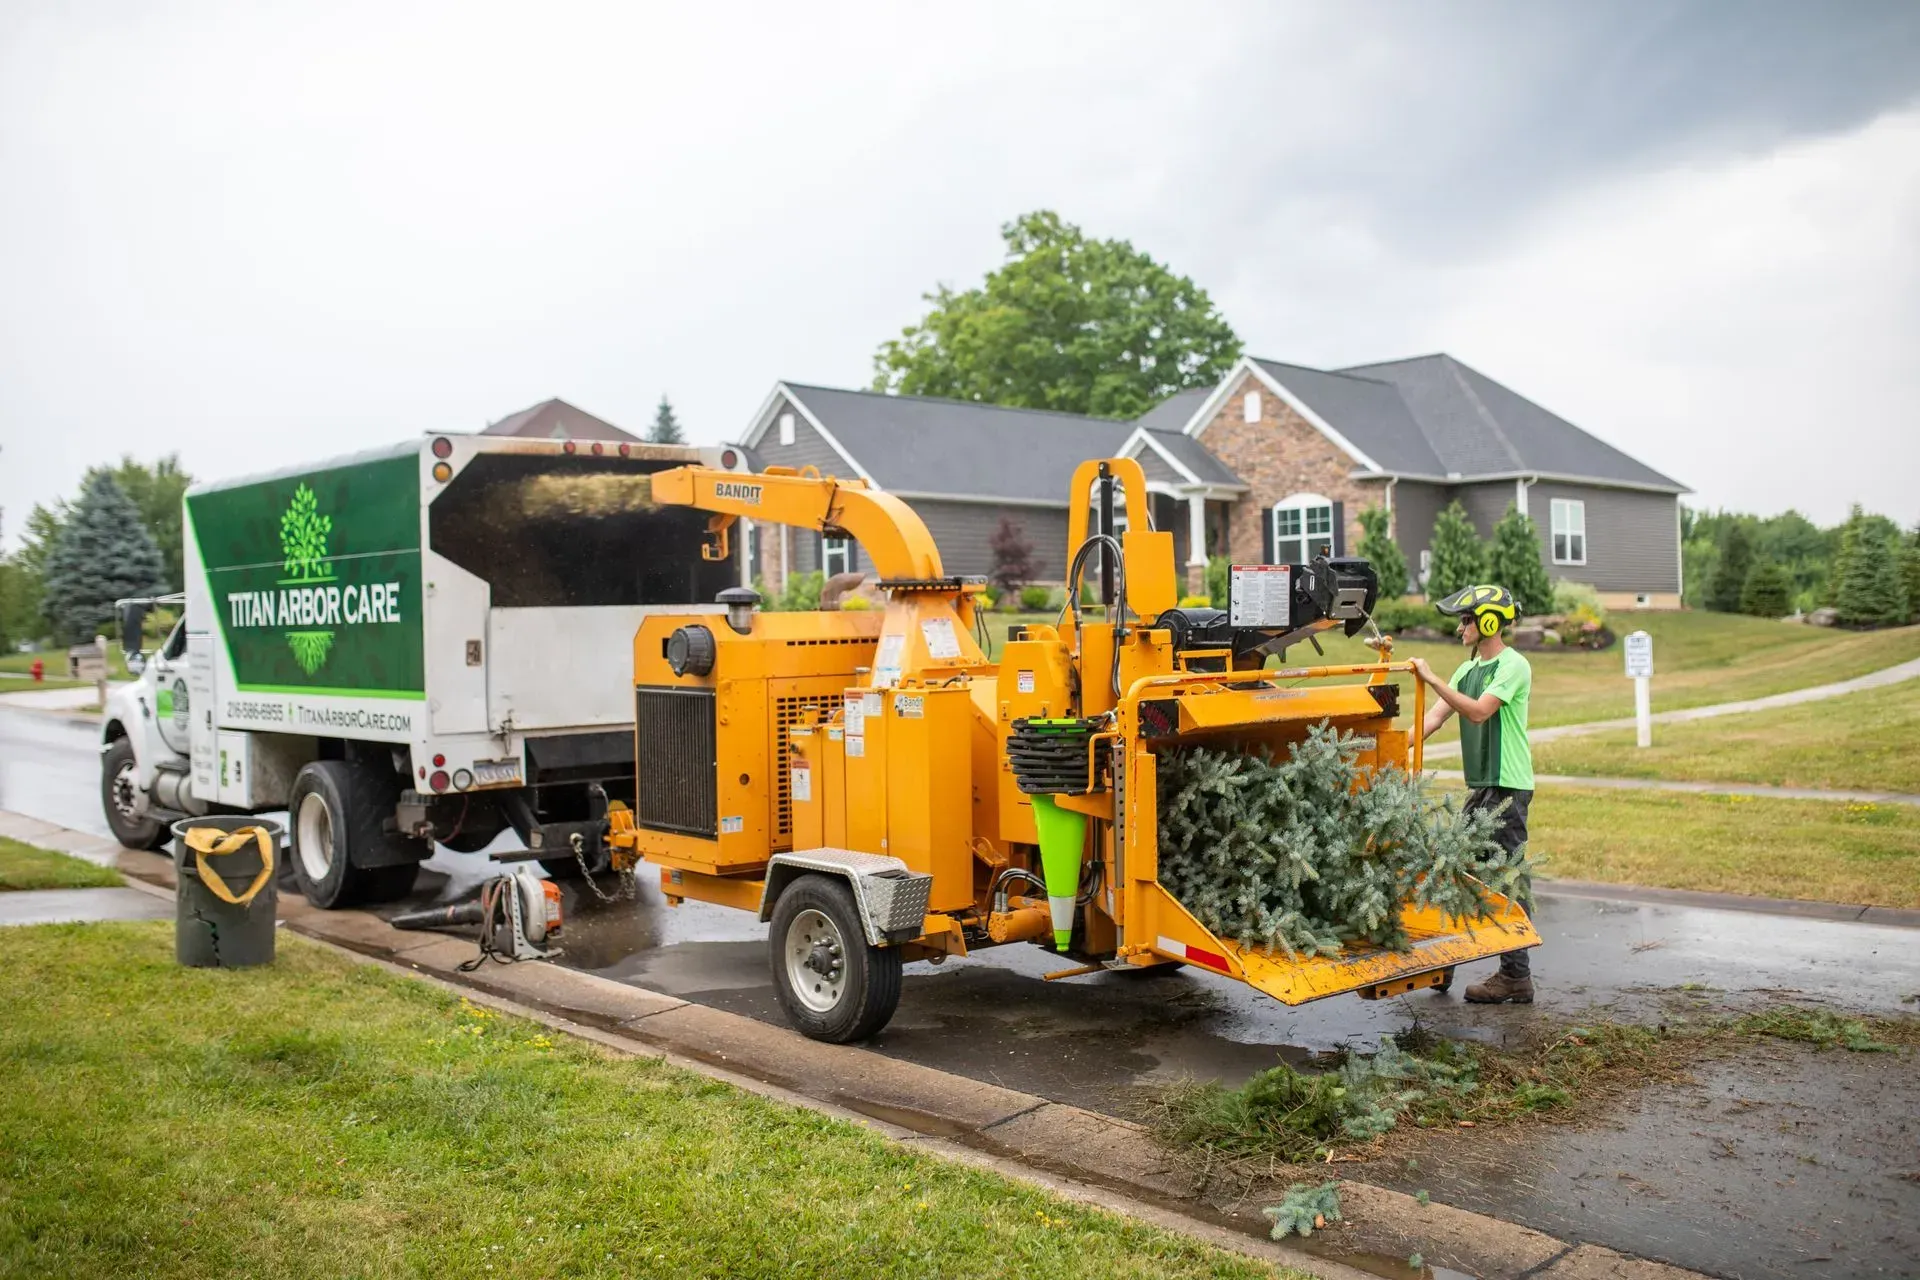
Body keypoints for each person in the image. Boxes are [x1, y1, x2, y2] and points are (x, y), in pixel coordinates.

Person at [1408, 584, 1536, 1004]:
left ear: (1488, 623)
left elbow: (1480, 712)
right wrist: (1393, 746)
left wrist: (1430, 678)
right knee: (1454, 869)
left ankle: (1515, 976)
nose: (1460, 628)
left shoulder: (1514, 665)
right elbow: (1433, 718)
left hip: (1508, 787)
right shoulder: (1465, 670)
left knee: (1505, 878)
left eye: (1466, 620)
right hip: (1481, 785)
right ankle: (1444, 961)